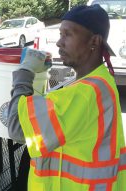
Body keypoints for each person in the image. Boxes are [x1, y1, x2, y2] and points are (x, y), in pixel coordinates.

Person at [7, 4, 126, 191]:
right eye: (60, 34)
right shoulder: (100, 80)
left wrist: (25, 71)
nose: (59, 43)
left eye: (67, 34)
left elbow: (15, 127)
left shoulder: (85, 94)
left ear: (94, 41)